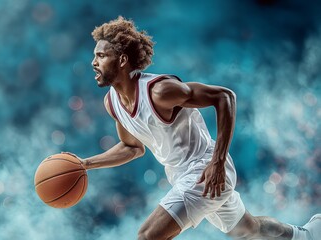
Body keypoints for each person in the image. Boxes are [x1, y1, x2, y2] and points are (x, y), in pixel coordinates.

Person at [78, 16, 320, 240]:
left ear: (121, 60)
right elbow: (132, 147)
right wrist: (85, 164)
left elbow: (225, 97)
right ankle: (307, 234)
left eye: (100, 56)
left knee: (147, 236)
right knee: (249, 230)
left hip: (206, 170)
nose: (93, 62)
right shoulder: (112, 102)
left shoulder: (159, 91)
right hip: (182, 175)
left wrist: (218, 162)